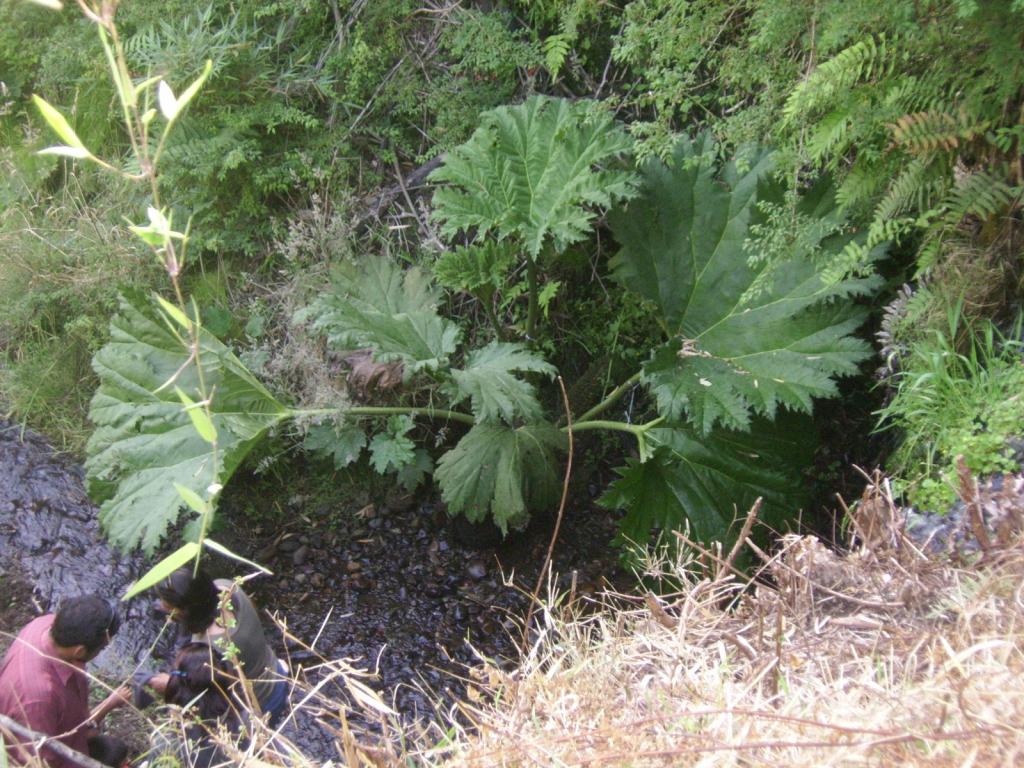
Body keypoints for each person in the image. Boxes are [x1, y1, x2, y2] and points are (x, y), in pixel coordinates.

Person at [0, 595, 131, 767]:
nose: (102, 651)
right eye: (102, 647)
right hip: (59, 757)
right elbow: (39, 761)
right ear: (79, 652)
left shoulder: (45, 624)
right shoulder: (38, 698)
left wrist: (106, 706)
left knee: (115, 750)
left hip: (70, 739)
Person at [149, 568, 288, 725]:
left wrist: (170, 683)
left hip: (260, 704)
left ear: (184, 611)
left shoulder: (207, 649)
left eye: (166, 605)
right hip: (277, 672)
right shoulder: (225, 587)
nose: (161, 606)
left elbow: (213, 697)